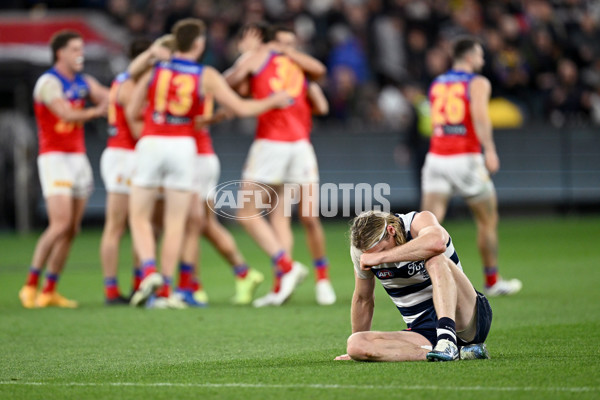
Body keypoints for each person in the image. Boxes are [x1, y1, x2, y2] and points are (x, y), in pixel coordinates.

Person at [126, 18, 291, 309]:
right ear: (199, 44)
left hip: (152, 141)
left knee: (141, 217)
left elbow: (131, 107)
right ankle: (167, 289)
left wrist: (153, 57)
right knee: (179, 224)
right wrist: (273, 100)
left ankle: (149, 271)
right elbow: (240, 107)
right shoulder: (205, 75)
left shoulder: (156, 69)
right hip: (185, 146)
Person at [224, 23, 332, 307]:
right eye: (284, 42)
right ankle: (283, 281)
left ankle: (296, 270)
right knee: (280, 214)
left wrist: (245, 55)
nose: (288, 48)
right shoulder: (292, 67)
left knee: (248, 210)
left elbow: (230, 83)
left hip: (276, 144)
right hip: (294, 145)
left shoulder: (282, 62)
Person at [421, 37, 522, 296]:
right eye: (480, 55)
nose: (483, 60)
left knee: (427, 225)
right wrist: (490, 149)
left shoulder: (437, 83)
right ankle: (492, 280)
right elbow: (479, 115)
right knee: (487, 220)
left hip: (436, 158)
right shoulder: (477, 82)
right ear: (468, 57)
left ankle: (419, 283)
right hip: (465, 158)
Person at [18, 30, 109, 309]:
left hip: (77, 158)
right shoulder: (48, 83)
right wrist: (97, 111)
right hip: (54, 158)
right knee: (59, 225)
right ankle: (30, 285)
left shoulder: (83, 81)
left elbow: (110, 96)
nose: (79, 54)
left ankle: (49, 290)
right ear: (60, 53)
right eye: (74, 49)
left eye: (81, 48)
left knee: (72, 229)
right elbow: (66, 114)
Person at [335, 210, 492, 362]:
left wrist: (380, 257)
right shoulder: (361, 251)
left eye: (381, 249)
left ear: (391, 231)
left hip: (465, 317)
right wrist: (358, 350)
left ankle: (447, 339)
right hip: (423, 329)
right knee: (356, 344)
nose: (379, 261)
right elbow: (363, 299)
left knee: (435, 258)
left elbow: (437, 243)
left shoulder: (418, 221)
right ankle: (456, 352)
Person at [99, 37, 158, 305]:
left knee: (139, 222)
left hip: (126, 155)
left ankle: (137, 285)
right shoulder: (131, 84)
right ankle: (112, 290)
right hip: (125, 155)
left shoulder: (124, 80)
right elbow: (136, 129)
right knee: (118, 224)